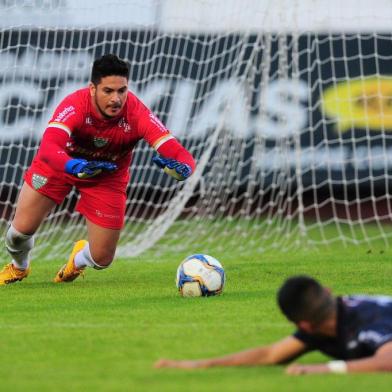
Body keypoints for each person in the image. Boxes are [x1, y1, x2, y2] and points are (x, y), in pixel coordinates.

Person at [0, 54, 195, 285]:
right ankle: (19, 267)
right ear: (92, 88)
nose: (116, 99)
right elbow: (49, 147)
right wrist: (74, 165)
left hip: (107, 176)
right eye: (108, 91)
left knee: (102, 259)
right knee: (18, 233)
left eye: (122, 91)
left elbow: (178, 152)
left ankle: (77, 261)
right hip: (61, 166)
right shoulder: (75, 104)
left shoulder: (137, 113)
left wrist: (184, 169)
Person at [155, 275, 392, 374]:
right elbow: (269, 354)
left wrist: (322, 369)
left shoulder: (367, 320)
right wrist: (202, 364)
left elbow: (388, 361)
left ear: (303, 324)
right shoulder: (325, 325)